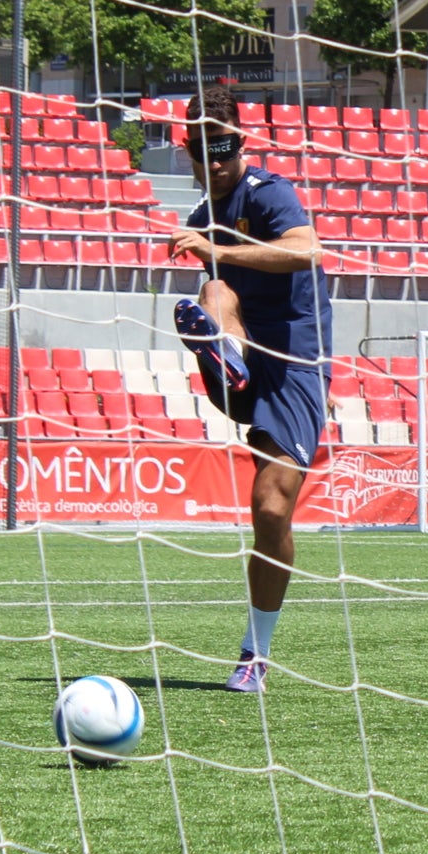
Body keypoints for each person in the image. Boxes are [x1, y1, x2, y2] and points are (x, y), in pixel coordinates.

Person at [169, 82, 333, 694]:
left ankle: (254, 654)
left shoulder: (270, 193)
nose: (214, 160)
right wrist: (212, 252)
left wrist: (219, 247)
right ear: (187, 148)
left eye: (225, 147)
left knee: (270, 508)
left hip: (294, 364)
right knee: (210, 293)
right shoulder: (198, 218)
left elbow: (307, 250)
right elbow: (224, 279)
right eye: (202, 148)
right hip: (243, 364)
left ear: (241, 145)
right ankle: (225, 354)